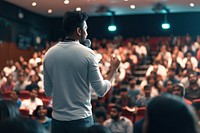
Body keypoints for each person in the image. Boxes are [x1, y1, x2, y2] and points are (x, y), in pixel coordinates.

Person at [43, 11, 120, 133]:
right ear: (79, 31)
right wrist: (114, 69)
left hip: (57, 121)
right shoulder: (87, 54)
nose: (87, 32)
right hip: (80, 120)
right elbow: (101, 91)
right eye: (85, 28)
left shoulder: (49, 54)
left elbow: (48, 92)